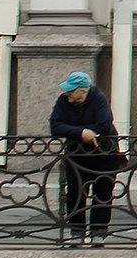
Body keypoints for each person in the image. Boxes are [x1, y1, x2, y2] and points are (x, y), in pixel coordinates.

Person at [48, 65, 121, 247]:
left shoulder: (98, 99)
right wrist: (82, 133)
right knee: (75, 192)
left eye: (70, 91)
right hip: (77, 152)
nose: (67, 95)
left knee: (103, 192)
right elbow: (55, 126)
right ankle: (77, 232)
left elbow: (104, 125)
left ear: (82, 91)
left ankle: (99, 232)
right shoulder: (63, 101)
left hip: (104, 152)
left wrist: (84, 132)